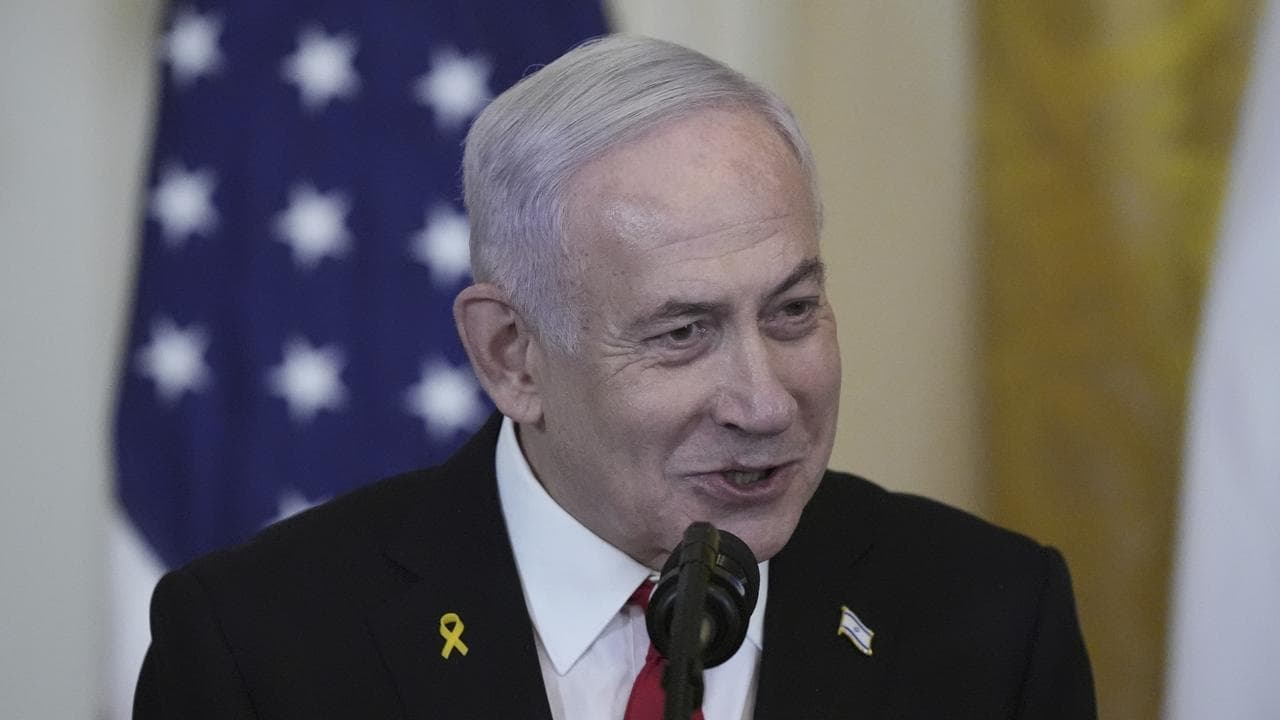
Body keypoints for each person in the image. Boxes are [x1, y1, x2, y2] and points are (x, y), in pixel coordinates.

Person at [134, 35, 1095, 719]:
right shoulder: (259, 651)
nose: (765, 402)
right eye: (683, 333)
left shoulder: (992, 620)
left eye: (793, 310)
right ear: (511, 354)